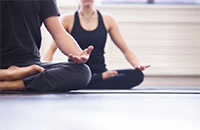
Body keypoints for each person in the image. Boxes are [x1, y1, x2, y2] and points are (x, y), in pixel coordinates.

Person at [44, 0, 150, 89]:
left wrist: (137, 65)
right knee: (75, 78)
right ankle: (97, 80)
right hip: (78, 73)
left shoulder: (107, 20)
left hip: (101, 71)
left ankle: (91, 82)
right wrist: (44, 72)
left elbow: (125, 49)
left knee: (137, 76)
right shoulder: (68, 19)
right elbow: (51, 50)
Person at [0, 0, 94, 92]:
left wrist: (79, 54)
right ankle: (8, 75)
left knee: (82, 72)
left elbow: (59, 34)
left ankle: (8, 84)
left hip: (29, 67)